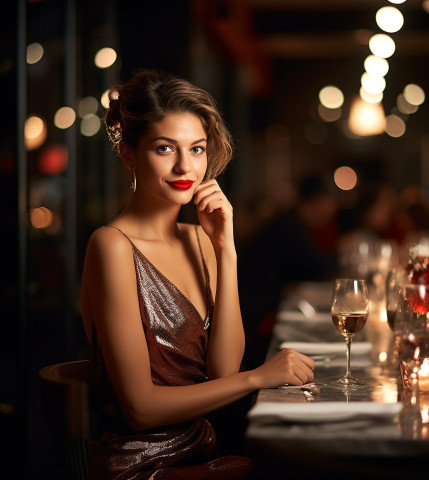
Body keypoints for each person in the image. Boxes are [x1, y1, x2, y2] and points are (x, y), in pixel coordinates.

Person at [80, 69, 314, 480]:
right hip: (141, 465)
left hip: (203, 452)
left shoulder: (201, 240)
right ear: (129, 154)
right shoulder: (111, 246)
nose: (186, 166)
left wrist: (226, 248)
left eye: (198, 149)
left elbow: (223, 370)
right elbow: (139, 409)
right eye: (165, 148)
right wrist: (257, 377)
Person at [237, 174, 338, 370]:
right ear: (317, 202)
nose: (333, 210)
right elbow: (319, 267)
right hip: (255, 323)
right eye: (330, 203)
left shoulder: (290, 221)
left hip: (260, 311)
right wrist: (341, 254)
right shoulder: (288, 226)